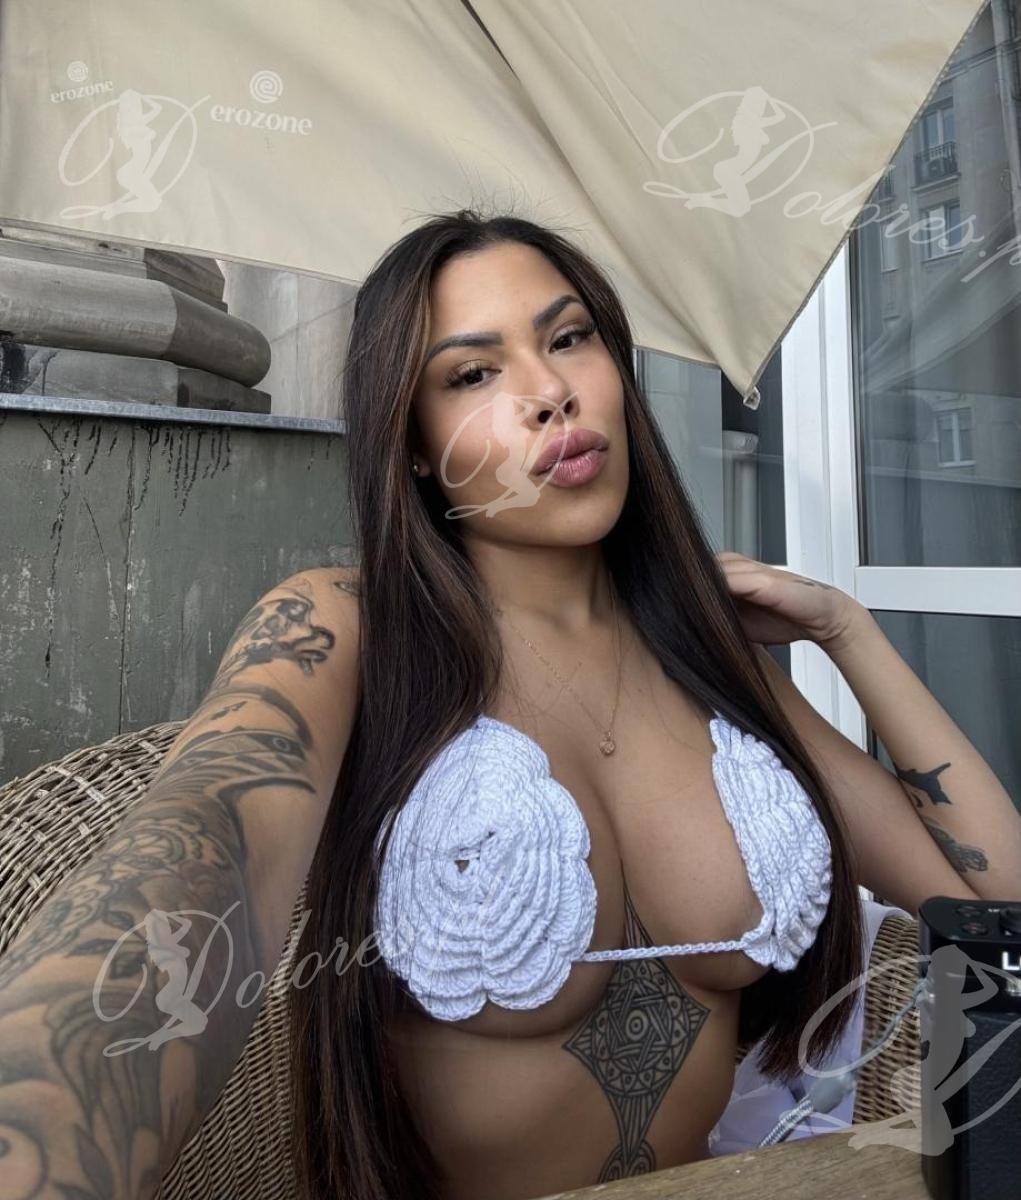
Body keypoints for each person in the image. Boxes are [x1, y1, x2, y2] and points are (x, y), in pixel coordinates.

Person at [1, 205, 1013, 1200]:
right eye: (472, 374)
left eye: (568, 339)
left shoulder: (709, 660)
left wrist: (846, 630)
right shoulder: (344, 629)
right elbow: (191, 863)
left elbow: (992, 912)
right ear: (410, 440)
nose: (548, 393)